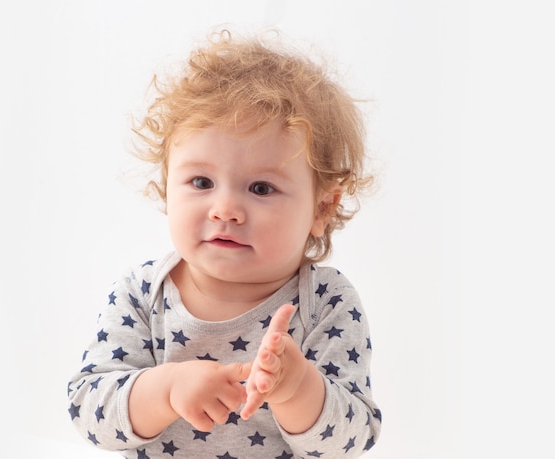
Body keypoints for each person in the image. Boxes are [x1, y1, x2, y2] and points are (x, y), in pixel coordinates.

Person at [67, 29, 381, 458]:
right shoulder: (144, 293)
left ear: (322, 209)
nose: (225, 209)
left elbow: (353, 437)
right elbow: (89, 409)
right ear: (166, 187)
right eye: (201, 182)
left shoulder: (324, 302)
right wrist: (166, 389)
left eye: (261, 188)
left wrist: (296, 388)